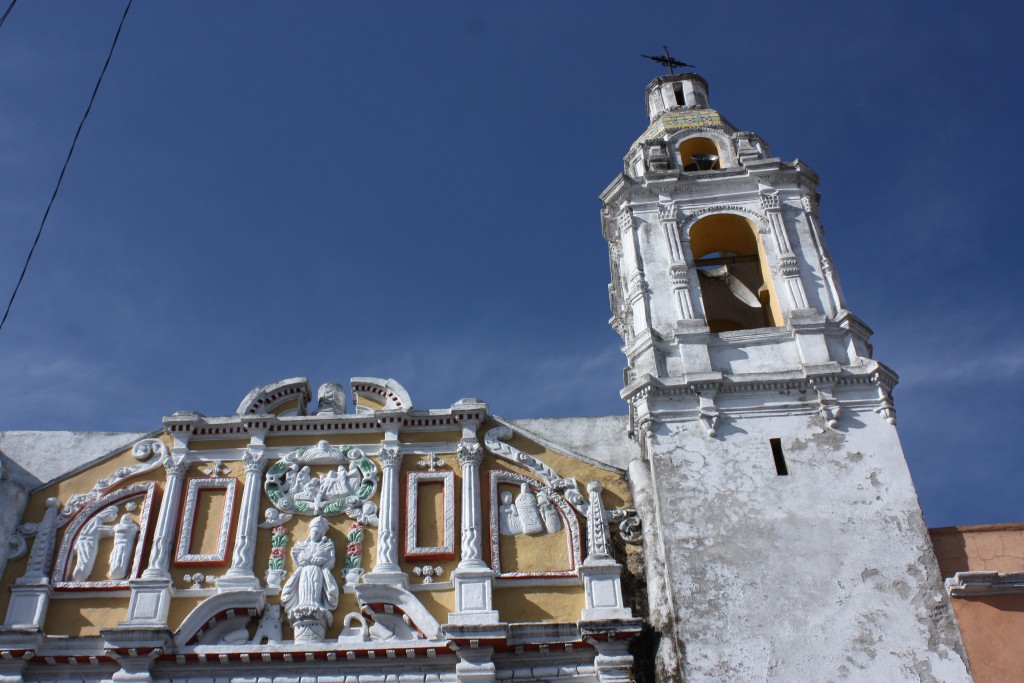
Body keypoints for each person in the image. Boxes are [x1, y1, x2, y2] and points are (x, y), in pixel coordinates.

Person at [281, 516, 339, 627]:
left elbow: (330, 561)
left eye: (317, 533)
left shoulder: (325, 545)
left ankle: (315, 603)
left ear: (321, 534)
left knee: (315, 585)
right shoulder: (303, 545)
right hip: (305, 571)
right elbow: (298, 561)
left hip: (317, 571)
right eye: (313, 532)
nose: (314, 534)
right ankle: (303, 603)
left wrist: (324, 557)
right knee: (304, 585)